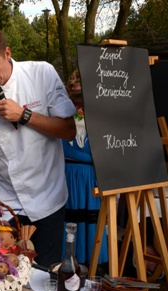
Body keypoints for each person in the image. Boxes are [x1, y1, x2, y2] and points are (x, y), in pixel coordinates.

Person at [0, 24, 76, 268]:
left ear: (7, 53)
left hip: (49, 198)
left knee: (46, 275)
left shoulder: (41, 73)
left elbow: (68, 130)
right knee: (6, 277)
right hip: (7, 203)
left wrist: (25, 115)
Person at [62, 71, 108, 267]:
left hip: (90, 175)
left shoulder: (101, 115)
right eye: (74, 93)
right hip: (67, 173)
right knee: (70, 218)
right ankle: (70, 261)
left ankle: (93, 261)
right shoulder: (62, 114)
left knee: (91, 220)